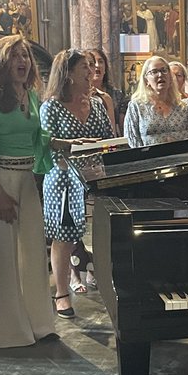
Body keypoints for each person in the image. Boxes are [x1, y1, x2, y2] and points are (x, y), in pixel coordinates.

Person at [0, 35, 58, 348]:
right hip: (1, 182)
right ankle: (14, 332)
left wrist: (65, 144)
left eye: (25, 55)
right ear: (1, 62)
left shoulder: (31, 95)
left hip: (26, 181)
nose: (22, 61)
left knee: (34, 255)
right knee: (6, 260)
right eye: (14, 56)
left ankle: (40, 324)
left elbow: (37, 137)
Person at [41, 50, 114, 318]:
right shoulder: (51, 107)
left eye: (92, 66)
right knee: (63, 237)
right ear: (68, 73)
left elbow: (108, 139)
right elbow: (46, 144)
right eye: (85, 66)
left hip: (95, 179)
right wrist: (73, 146)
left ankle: (107, 286)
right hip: (63, 179)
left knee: (103, 236)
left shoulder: (97, 104)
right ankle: (61, 293)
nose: (91, 71)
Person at [124, 54, 188, 147]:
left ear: (170, 77)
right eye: (154, 72)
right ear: (146, 80)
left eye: (164, 70)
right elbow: (132, 140)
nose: (160, 75)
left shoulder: (183, 108)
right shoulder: (136, 107)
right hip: (149, 156)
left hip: (181, 155)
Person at [86, 46, 122, 136]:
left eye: (100, 61)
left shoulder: (116, 95)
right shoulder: (80, 94)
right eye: (92, 63)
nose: (97, 65)